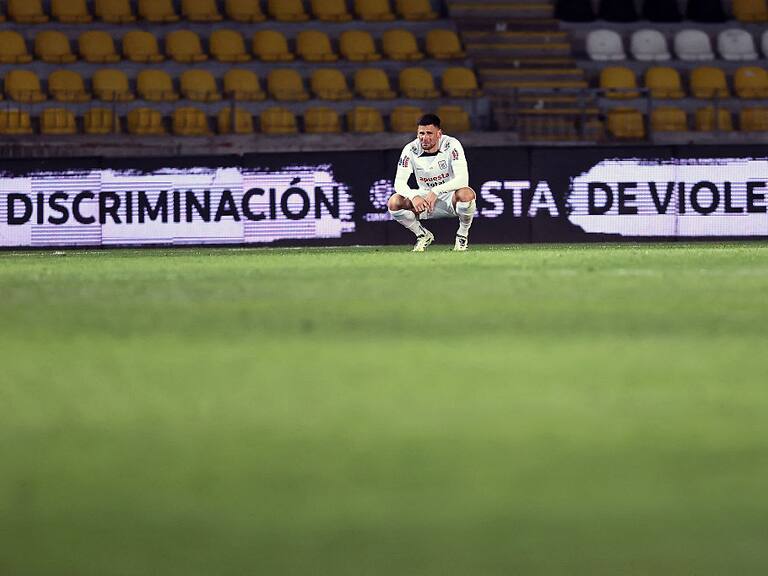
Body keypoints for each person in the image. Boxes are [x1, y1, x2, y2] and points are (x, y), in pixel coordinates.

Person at [387, 113, 476, 251]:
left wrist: (436, 190)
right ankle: (422, 235)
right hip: (424, 200)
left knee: (467, 194)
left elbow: (463, 179)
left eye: (429, 133)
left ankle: (462, 235)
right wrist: (413, 196)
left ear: (439, 134)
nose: (425, 138)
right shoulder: (410, 149)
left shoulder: (451, 145)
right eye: (421, 133)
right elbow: (399, 183)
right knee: (394, 202)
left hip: (449, 197)